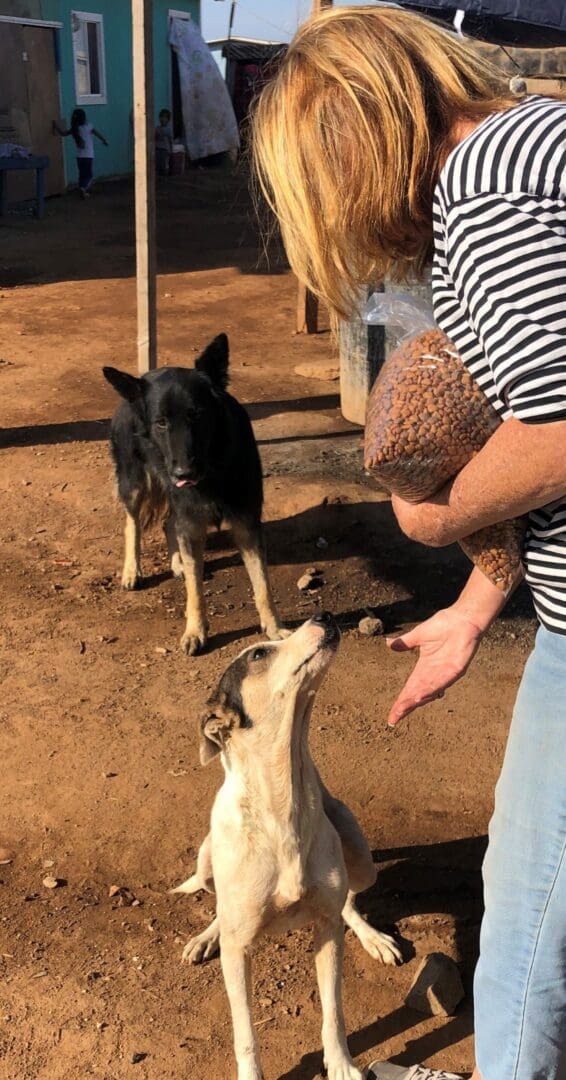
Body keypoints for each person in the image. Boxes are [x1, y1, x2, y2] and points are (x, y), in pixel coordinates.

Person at [253, 7, 566, 1080]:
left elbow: (561, 424)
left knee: (526, 918)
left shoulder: (488, 188)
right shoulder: (530, 144)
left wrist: (434, 518)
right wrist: (477, 605)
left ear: (353, 138)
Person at [53, 109, 108, 198]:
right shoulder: (89, 126)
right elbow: (97, 134)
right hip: (88, 156)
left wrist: (56, 126)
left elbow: (63, 133)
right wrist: (104, 140)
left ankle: (82, 189)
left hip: (79, 157)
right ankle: (83, 189)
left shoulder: (75, 129)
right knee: (89, 175)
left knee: (82, 174)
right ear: (84, 117)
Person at [155, 108, 173, 176]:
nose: (162, 119)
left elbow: (170, 140)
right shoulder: (157, 128)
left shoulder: (168, 129)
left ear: (168, 120)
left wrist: (171, 150)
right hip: (157, 149)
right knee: (158, 164)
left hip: (164, 150)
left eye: (165, 117)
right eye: (161, 117)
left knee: (163, 165)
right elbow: (154, 138)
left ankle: (165, 177)